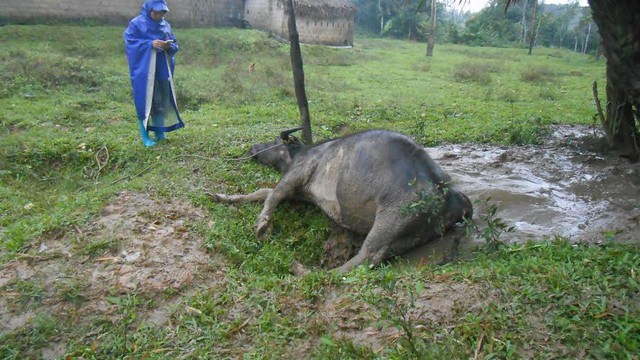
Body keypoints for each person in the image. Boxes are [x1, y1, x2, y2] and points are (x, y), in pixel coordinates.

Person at [124, 0, 184, 147]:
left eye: (162, 12)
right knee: (144, 101)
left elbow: (175, 45)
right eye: (156, 12)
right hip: (144, 71)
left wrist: (169, 46)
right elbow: (130, 42)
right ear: (148, 9)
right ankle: (145, 137)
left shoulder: (166, 26)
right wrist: (150, 44)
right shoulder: (136, 24)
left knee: (161, 101)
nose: (159, 15)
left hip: (162, 69)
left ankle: (159, 132)